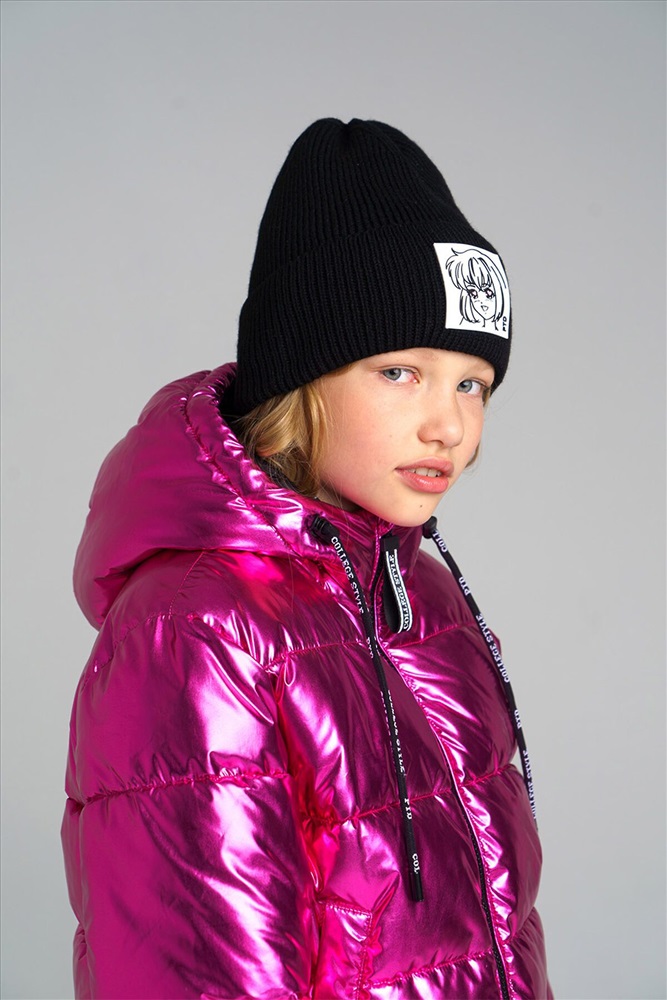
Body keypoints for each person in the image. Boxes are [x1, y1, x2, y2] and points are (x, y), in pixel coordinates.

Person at [62, 118, 551, 999]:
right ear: (302, 374)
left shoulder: (423, 594)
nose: (448, 424)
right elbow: (207, 975)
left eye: (471, 382)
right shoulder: (197, 629)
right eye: (399, 372)